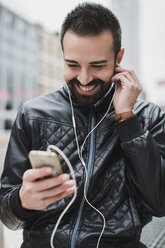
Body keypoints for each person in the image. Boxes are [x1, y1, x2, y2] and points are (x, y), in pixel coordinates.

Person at [0, 2, 165, 248]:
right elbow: (7, 215)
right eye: (72, 65)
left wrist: (127, 120)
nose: (84, 79)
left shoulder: (149, 117)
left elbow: (160, 204)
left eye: (97, 66)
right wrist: (22, 201)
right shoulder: (33, 113)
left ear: (118, 58)